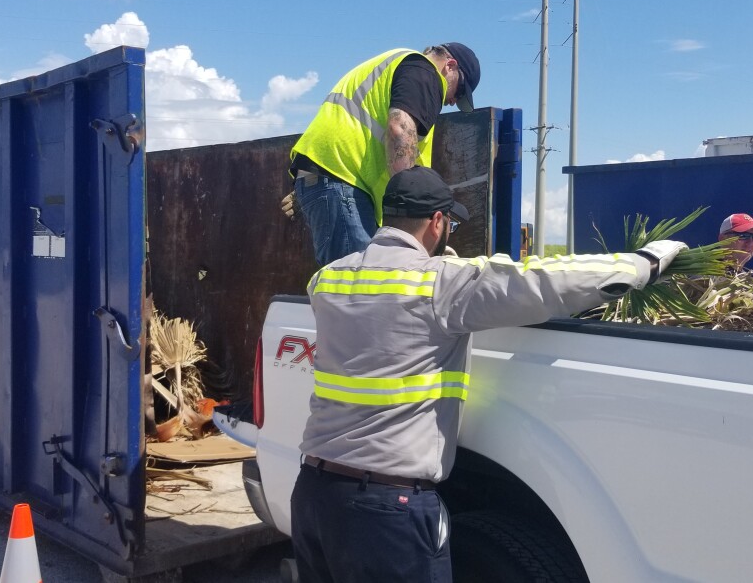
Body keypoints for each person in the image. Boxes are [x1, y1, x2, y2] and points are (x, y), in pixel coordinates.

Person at [289, 166, 687, 581]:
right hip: (386, 510)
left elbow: (385, 299)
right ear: (438, 222)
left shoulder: (327, 280)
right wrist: (641, 264)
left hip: (315, 496)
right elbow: (544, 282)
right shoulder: (441, 285)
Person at [280, 43, 482, 266]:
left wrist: (313, 183)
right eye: (460, 90)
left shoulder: (396, 65)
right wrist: (410, 208)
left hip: (329, 174)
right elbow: (399, 130)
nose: (453, 101)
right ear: (450, 66)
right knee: (361, 288)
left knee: (356, 282)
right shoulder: (425, 71)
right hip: (342, 179)